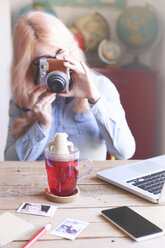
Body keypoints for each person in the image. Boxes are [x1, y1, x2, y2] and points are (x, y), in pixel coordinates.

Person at [4, 11, 135, 161]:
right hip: (42, 183)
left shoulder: (101, 86)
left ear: (70, 47)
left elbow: (124, 153)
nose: (56, 65)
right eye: (45, 63)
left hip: (87, 182)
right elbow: (11, 163)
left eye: (60, 53)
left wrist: (94, 99)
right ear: (29, 65)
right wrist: (42, 125)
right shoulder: (24, 96)